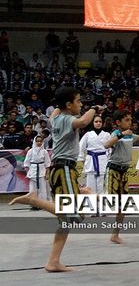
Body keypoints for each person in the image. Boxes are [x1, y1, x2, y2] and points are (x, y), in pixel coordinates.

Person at [9, 87, 103, 272]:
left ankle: (53, 261)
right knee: (73, 215)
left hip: (62, 169)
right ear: (69, 105)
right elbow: (84, 121)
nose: (81, 104)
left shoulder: (56, 118)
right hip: (64, 169)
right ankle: (34, 200)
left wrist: (61, 105)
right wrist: (95, 109)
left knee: (66, 220)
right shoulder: (68, 119)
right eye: (78, 101)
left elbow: (56, 113)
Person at [104, 110, 139, 244]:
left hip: (124, 171)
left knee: (123, 206)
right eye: (126, 120)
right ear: (118, 122)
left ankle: (115, 235)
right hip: (113, 169)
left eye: (130, 120)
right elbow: (106, 145)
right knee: (110, 200)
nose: (130, 122)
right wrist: (120, 134)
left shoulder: (130, 135)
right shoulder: (116, 133)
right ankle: (87, 192)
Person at [78, 115, 110, 196]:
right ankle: (91, 205)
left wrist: (109, 160)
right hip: (91, 160)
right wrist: (82, 158)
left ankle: (101, 205)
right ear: (93, 123)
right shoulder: (88, 134)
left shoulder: (106, 135)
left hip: (102, 160)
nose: (98, 123)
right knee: (90, 186)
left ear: (103, 123)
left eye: (100, 122)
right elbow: (81, 147)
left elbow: (110, 149)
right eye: (96, 121)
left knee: (101, 186)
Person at [23, 135, 52, 206]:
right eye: (37, 141)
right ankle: (33, 203)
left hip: (42, 170)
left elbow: (47, 164)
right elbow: (26, 163)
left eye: (40, 141)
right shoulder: (30, 151)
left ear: (42, 142)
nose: (39, 143)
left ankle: (43, 203)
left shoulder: (44, 151)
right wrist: (28, 172)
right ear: (35, 142)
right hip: (33, 170)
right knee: (32, 188)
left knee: (43, 187)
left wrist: (47, 174)